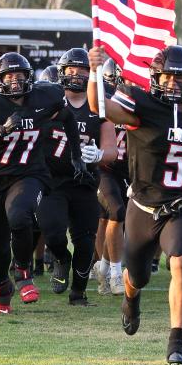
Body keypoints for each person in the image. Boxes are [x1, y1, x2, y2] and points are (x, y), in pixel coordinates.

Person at [88, 44, 182, 365]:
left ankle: (177, 341)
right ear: (156, 77)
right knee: (137, 277)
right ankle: (131, 301)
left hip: (180, 205)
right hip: (143, 206)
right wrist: (95, 71)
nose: (175, 83)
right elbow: (99, 105)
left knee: (181, 263)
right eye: (168, 76)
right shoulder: (141, 104)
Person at [0, 52, 81, 314]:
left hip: (30, 174)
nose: (15, 81)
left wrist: (76, 155)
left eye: (20, 76)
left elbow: (68, 118)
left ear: (29, 77)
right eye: (9, 76)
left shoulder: (44, 97)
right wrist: (1, 131)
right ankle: (3, 294)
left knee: (20, 215)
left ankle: (24, 272)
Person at [38, 48, 116, 305]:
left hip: (84, 182)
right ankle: (61, 258)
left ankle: (78, 292)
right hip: (53, 180)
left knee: (85, 242)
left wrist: (98, 155)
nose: (76, 75)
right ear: (61, 73)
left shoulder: (100, 104)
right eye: (71, 70)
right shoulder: (49, 101)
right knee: (53, 233)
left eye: (83, 70)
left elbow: (112, 151)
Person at [94, 58, 128, 296]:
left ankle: (104, 267)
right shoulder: (102, 102)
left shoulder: (140, 100)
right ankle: (115, 272)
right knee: (115, 213)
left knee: (110, 220)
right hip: (105, 168)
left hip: (131, 169)